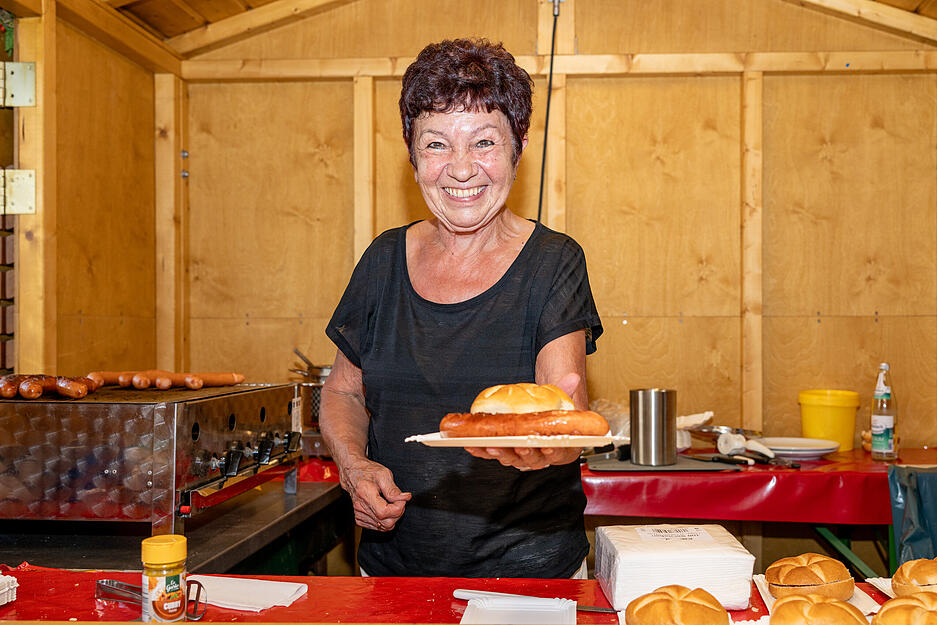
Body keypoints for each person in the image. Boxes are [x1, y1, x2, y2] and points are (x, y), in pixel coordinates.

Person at [319, 38, 603, 579]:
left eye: (484, 142)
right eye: (437, 145)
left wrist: (552, 447)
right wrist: (354, 467)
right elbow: (342, 390)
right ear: (412, 154)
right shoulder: (382, 259)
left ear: (518, 145)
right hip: (391, 572)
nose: (462, 169)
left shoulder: (554, 261)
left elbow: (563, 405)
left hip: (529, 582)